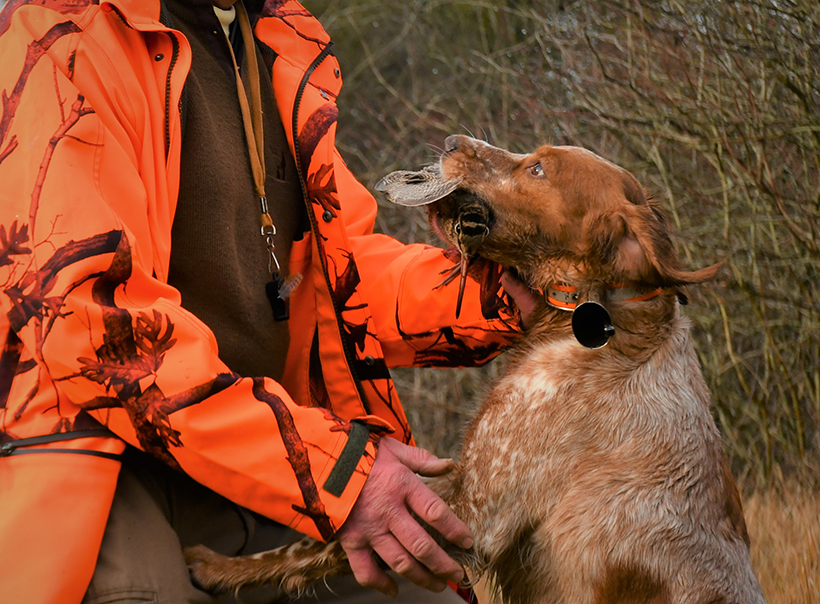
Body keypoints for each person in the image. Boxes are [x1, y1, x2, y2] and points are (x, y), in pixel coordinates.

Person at [0, 1, 535, 602]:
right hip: (95, 460)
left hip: (264, 452)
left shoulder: (277, 42)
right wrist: (338, 473)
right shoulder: (63, 38)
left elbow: (341, 279)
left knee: (427, 591)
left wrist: (502, 298)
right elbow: (99, 327)